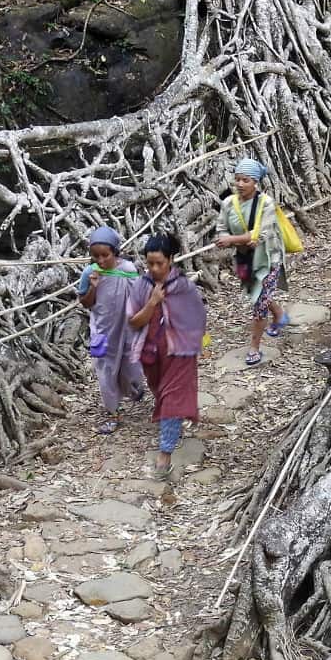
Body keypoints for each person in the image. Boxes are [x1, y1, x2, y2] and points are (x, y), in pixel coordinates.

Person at [127, 232, 207, 479]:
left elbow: (198, 318)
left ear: (171, 259)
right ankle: (172, 425)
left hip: (180, 351)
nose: (154, 268)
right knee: (161, 393)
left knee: (172, 397)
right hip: (151, 352)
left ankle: (164, 457)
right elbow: (133, 321)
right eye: (149, 263)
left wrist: (191, 341)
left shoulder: (183, 286)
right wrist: (152, 303)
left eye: (159, 263)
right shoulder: (141, 286)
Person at [213, 157, 290, 367]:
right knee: (256, 293)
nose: (239, 184)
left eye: (245, 180)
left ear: (255, 182)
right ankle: (280, 314)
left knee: (259, 303)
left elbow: (260, 235)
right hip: (245, 259)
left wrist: (231, 239)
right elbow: (221, 227)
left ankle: (254, 348)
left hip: (268, 258)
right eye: (237, 179)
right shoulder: (229, 203)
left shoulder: (266, 204)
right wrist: (223, 238)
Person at [76, 226, 145, 434]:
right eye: (95, 256)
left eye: (105, 255)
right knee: (106, 372)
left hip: (127, 328)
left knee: (131, 364)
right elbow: (85, 303)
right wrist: (94, 285)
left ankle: (133, 388)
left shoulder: (128, 269)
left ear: (115, 251)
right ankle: (114, 413)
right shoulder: (90, 272)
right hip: (103, 331)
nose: (101, 261)